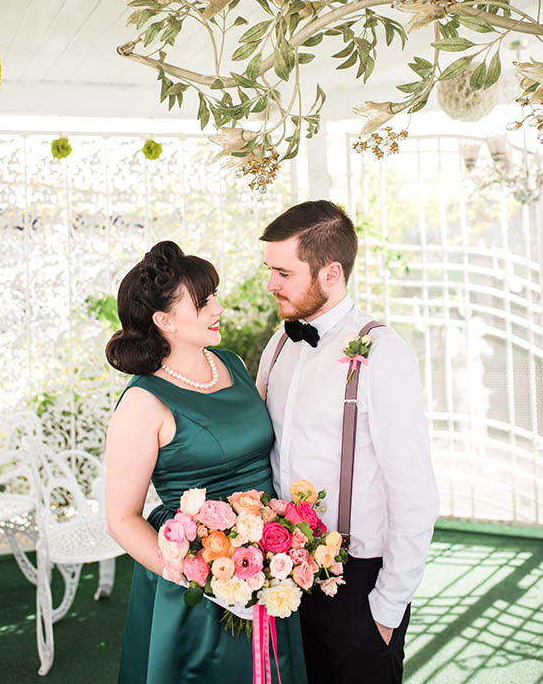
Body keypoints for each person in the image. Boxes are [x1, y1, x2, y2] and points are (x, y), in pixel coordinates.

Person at [105, 240, 308, 684]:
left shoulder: (231, 364)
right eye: (203, 302)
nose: (218, 307)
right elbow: (121, 518)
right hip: (197, 582)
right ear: (164, 321)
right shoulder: (142, 403)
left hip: (268, 562)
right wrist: (199, 577)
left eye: (213, 294)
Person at [257, 200, 439, 684]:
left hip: (359, 582)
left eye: (283, 271)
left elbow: (415, 492)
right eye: (269, 269)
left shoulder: (384, 354)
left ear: (331, 272)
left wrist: (386, 608)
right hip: (286, 574)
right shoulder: (278, 347)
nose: (271, 283)